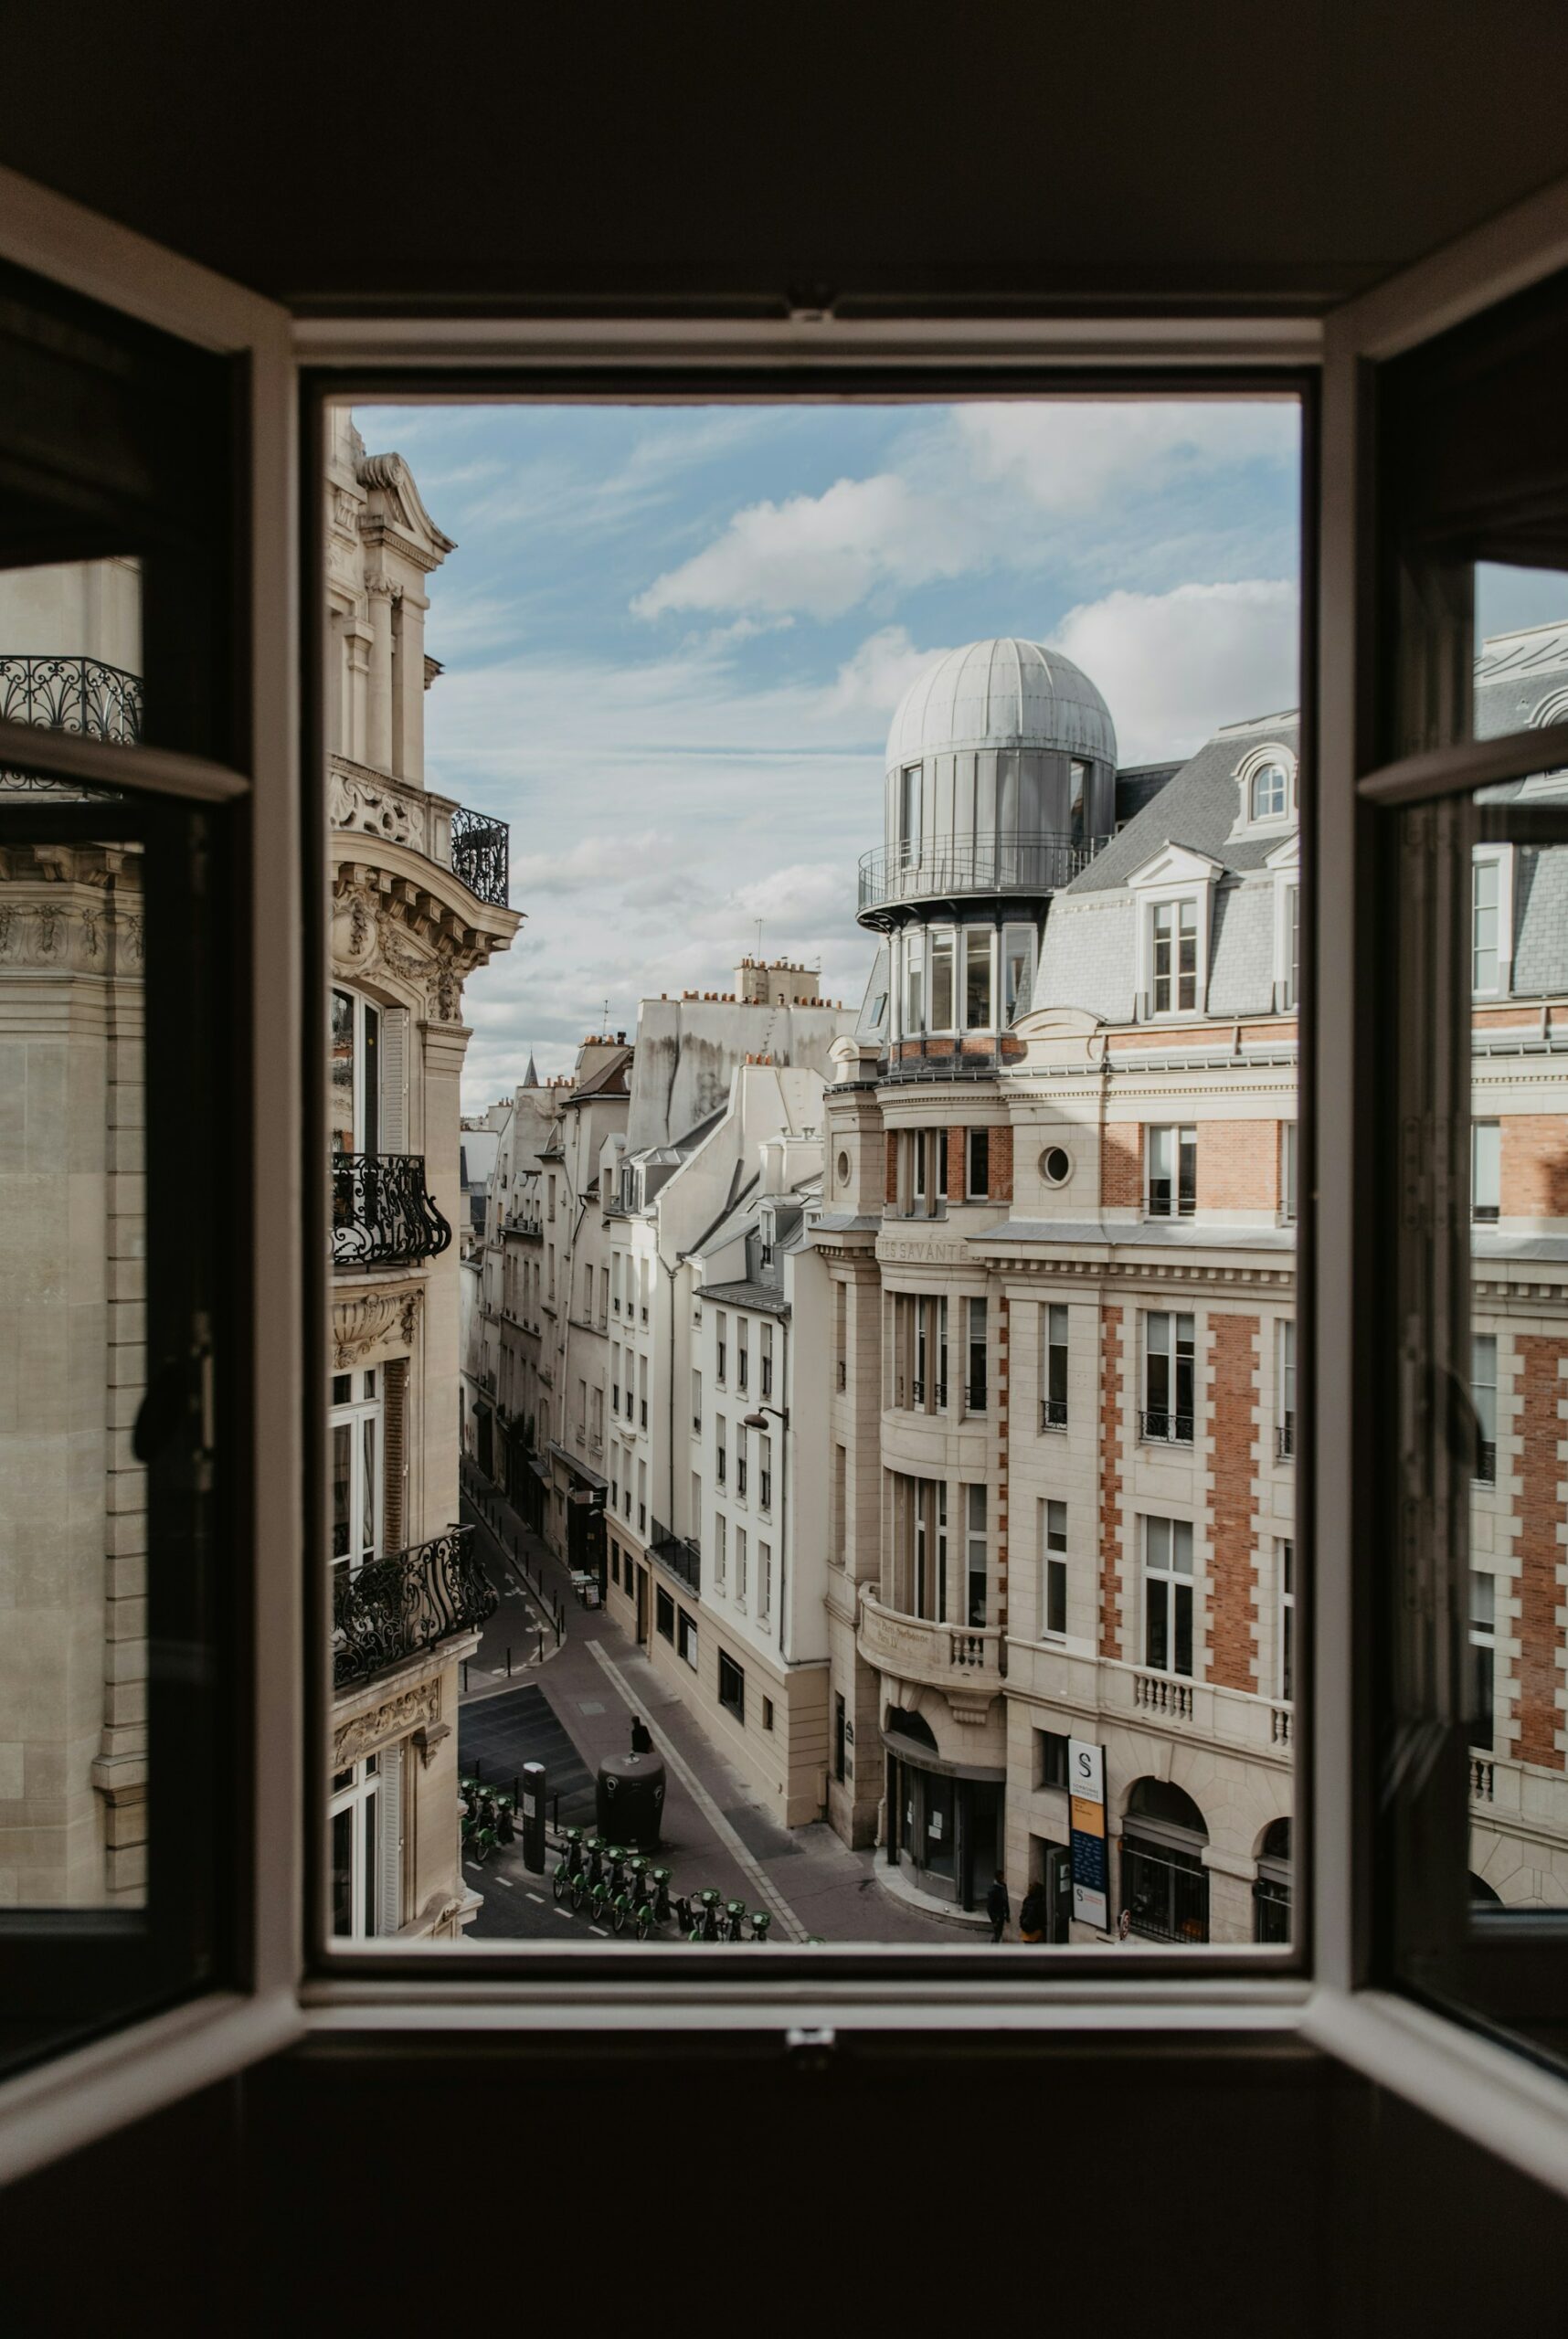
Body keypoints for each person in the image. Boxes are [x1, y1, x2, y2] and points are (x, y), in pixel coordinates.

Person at [1018, 1877, 1047, 1943]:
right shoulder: (1039, 1902)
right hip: (1036, 1931)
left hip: (1026, 1931)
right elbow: (1042, 1917)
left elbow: (1023, 1913)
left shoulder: (1027, 1899)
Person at [986, 1870, 1010, 1943]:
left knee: (999, 1932)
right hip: (997, 1915)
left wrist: (1007, 1914)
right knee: (997, 1933)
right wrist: (994, 1920)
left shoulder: (1003, 1886)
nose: (1003, 1878)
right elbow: (989, 1907)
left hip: (1002, 1914)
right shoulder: (993, 1891)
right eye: (1001, 1877)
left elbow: (1006, 1901)